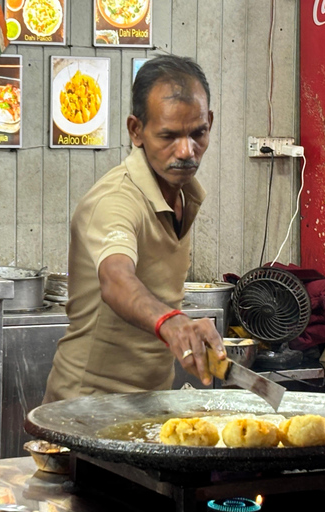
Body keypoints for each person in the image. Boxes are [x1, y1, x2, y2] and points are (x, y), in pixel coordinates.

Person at [43, 55, 226, 403]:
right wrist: (173, 323)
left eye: (197, 133)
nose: (187, 151)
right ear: (136, 130)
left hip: (148, 402)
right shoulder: (116, 200)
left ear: (210, 123)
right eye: (168, 136)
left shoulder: (183, 194)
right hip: (86, 406)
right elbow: (116, 278)